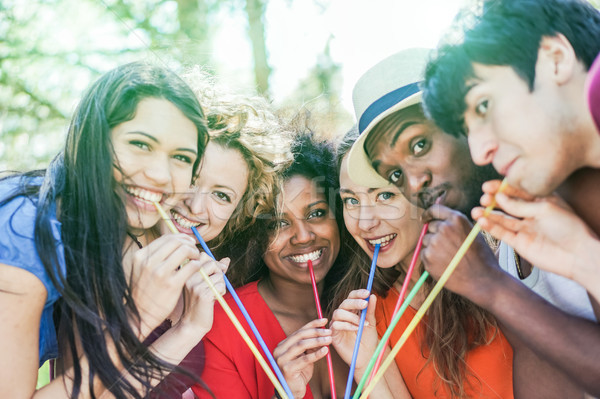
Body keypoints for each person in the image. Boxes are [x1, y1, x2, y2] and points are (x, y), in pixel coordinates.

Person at [345, 48, 596, 397]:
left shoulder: (576, 187)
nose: (413, 183)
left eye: (419, 145)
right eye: (395, 174)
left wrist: (488, 284)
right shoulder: (504, 235)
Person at [0, 62, 227, 398]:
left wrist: (189, 327)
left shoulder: (90, 229)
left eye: (181, 157)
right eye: (140, 144)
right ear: (91, 139)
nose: (161, 175)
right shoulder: (23, 233)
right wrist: (143, 313)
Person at [419, 0, 600, 395]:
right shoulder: (565, 191)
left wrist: (491, 285)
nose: (480, 150)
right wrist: (585, 260)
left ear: (555, 58)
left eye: (484, 105)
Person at [331, 126, 513, 399]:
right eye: (351, 201)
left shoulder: (501, 267)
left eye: (385, 195)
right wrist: (365, 365)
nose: (365, 222)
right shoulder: (370, 315)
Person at [150, 75, 293, 397]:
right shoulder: (109, 266)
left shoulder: (217, 293)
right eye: (192, 178)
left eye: (222, 196)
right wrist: (190, 328)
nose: (196, 205)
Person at [191, 132, 350, 399]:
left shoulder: (371, 306)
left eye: (316, 213)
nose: (303, 236)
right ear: (253, 235)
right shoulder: (222, 325)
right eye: (278, 223)